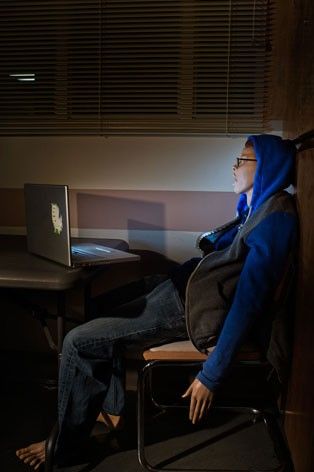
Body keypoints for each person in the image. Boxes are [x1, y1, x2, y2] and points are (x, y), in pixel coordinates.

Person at [16, 134, 298, 469]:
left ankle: (61, 447)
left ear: (266, 167)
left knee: (78, 341)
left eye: (241, 161)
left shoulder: (274, 219)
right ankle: (114, 411)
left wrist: (211, 375)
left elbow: (247, 303)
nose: (233, 168)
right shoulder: (256, 207)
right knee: (94, 309)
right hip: (176, 287)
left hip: (183, 308)